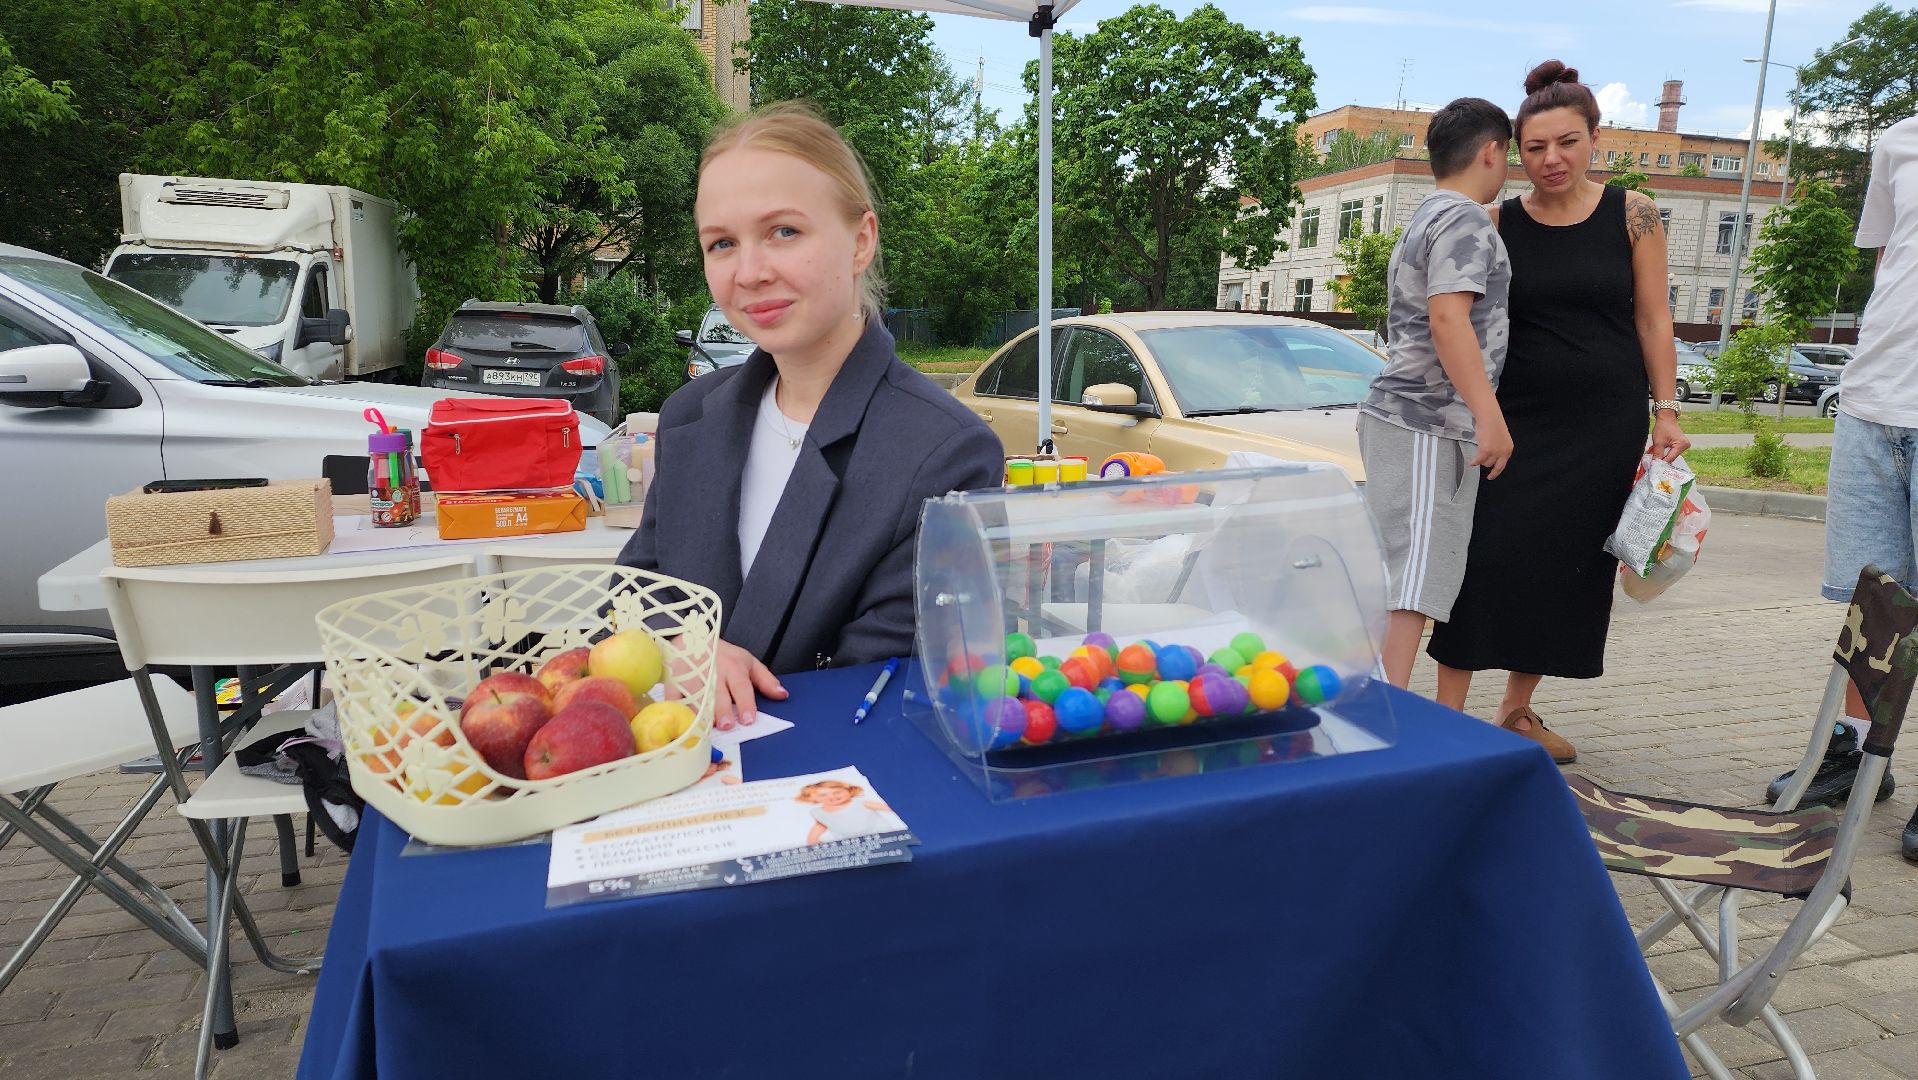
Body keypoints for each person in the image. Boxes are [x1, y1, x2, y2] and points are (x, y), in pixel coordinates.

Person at [616, 102, 1003, 728]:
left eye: (784, 232)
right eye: (722, 243)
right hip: (670, 778)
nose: (749, 272)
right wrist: (686, 647)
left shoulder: (943, 451)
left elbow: (883, 682)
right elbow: (638, 588)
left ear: (861, 240)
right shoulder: (690, 416)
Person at [1426, 62, 1690, 762]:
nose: (1551, 160)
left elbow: (1655, 319)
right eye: (1535, 147)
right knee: (1485, 559)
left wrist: (1666, 412)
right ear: (1514, 150)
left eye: (1567, 143)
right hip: (1512, 422)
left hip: (1602, 423)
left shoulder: (1633, 213)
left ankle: (1516, 712)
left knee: (1567, 567)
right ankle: (1446, 718)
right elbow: (1453, 317)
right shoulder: (1494, 221)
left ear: (1595, 138)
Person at [1765, 113, 1918, 861]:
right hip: (1874, 402)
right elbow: (1892, 262)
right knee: (1873, 604)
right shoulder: (1900, 141)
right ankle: (1854, 754)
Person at [1357, 97, 1515, 690]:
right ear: (1491, 151)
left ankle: (1374, 707)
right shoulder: (1466, 219)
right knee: (1412, 578)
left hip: (1406, 417)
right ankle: (1384, 719)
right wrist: (1489, 417)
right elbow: (1449, 320)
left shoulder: (1425, 215)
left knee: (1400, 571)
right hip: (1427, 422)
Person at [797, 780, 896, 845]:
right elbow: (820, 825)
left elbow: (888, 808)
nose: (832, 797)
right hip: (850, 840)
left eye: (837, 792)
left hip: (878, 833)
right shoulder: (818, 812)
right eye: (823, 795)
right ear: (814, 798)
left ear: (849, 790)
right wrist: (813, 840)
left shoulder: (861, 803)